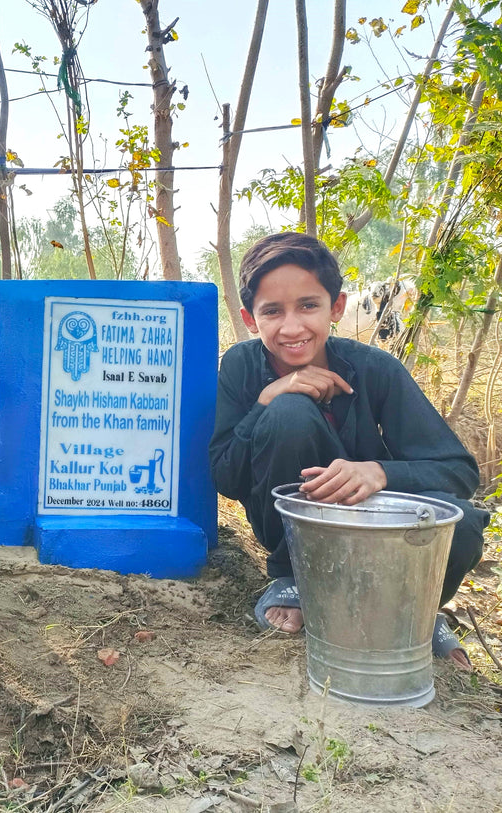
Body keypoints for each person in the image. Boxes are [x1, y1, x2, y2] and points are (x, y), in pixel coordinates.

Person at [209, 232, 487, 668]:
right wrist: (269, 398)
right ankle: (293, 579)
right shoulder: (242, 366)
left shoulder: (376, 369)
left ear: (335, 308)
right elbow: (226, 476)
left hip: (373, 525)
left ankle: (414, 609)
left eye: (308, 305)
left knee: (464, 525)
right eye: (272, 311)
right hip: (292, 528)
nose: (293, 326)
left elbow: (458, 472)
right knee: (290, 413)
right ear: (250, 318)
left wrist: (378, 472)